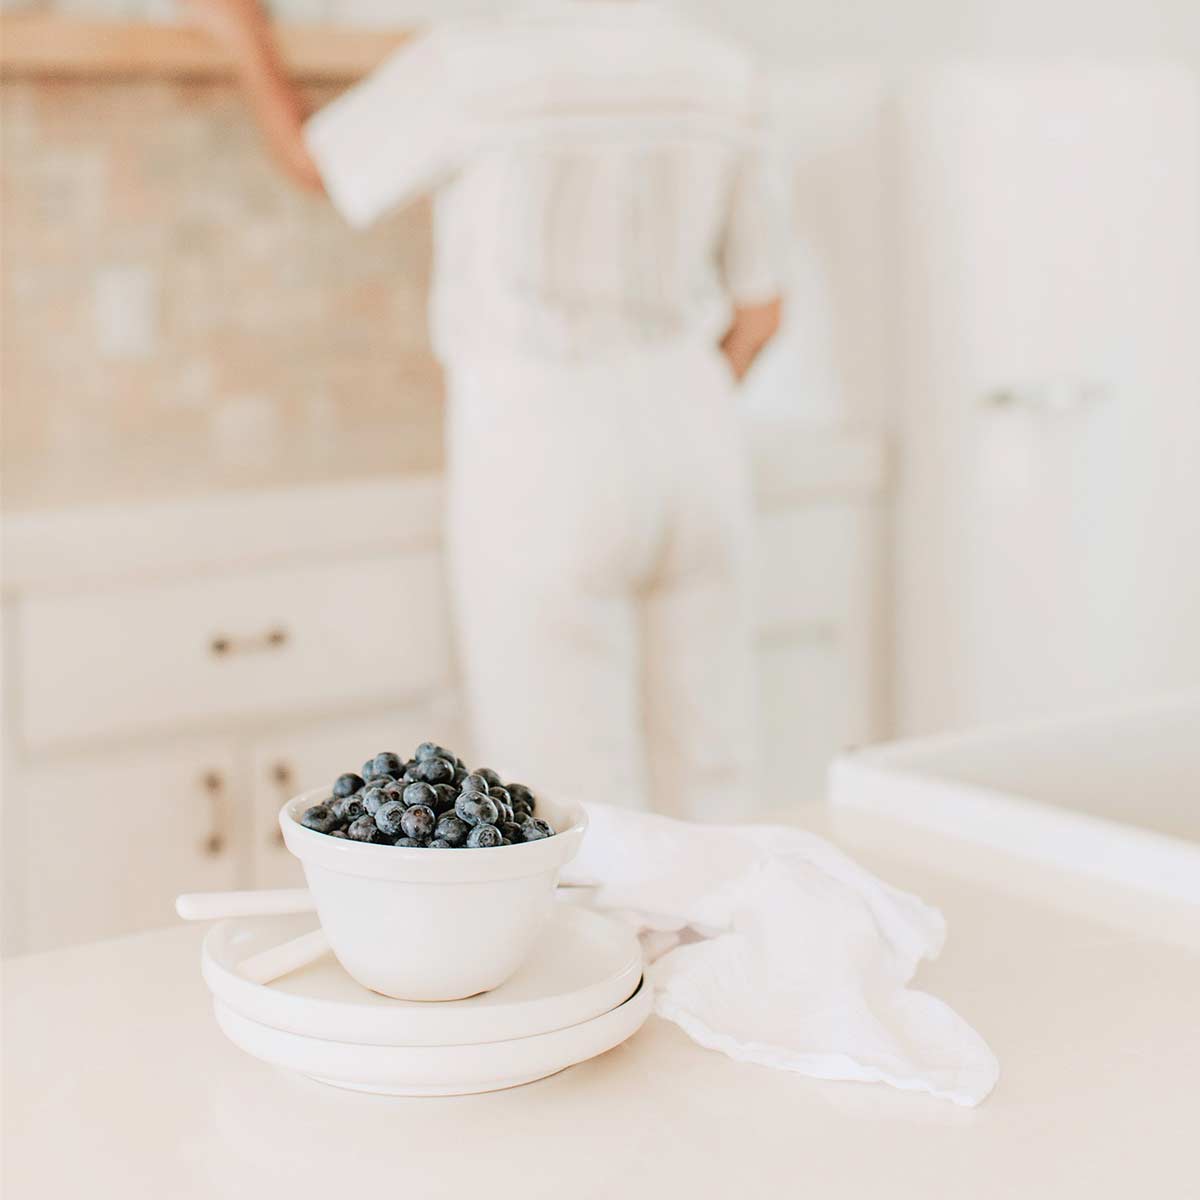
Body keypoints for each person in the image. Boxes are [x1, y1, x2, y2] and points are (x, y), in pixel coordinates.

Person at [191, 0, 785, 818]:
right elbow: (761, 315)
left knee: (563, 795)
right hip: (699, 435)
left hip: (544, 441)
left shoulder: (476, 64)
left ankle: (610, 951)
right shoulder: (723, 70)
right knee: (716, 774)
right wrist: (669, 405)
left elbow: (318, 164)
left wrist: (243, 35)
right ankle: (724, 945)